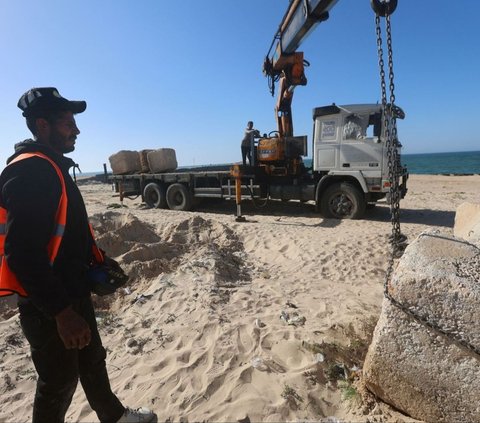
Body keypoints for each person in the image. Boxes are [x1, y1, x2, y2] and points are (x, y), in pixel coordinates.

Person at [0, 87, 156, 423]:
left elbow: (62, 232)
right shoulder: (31, 171)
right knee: (59, 380)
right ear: (43, 125)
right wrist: (61, 313)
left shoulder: (52, 167)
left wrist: (96, 260)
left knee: (91, 360)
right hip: (48, 304)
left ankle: (115, 417)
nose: (77, 130)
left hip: (72, 290)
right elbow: (22, 252)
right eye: (69, 123)